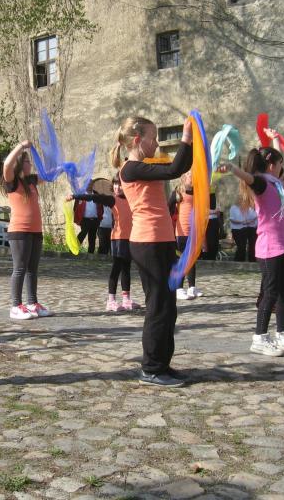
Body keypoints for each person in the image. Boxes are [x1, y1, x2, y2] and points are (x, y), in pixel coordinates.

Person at [112, 115, 192, 387]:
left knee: (168, 306)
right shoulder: (131, 169)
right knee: (158, 305)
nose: (157, 143)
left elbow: (182, 165)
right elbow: (175, 170)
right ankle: (151, 368)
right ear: (138, 140)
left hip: (162, 241)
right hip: (148, 243)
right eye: (154, 138)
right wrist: (186, 137)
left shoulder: (147, 165)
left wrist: (193, 145)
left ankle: (163, 364)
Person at [220, 130, 284, 356]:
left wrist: (275, 138)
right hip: (268, 249)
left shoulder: (276, 184)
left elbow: (275, 159)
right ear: (271, 166)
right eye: (280, 164)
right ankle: (259, 338)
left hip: (282, 246)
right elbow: (249, 178)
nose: (282, 169)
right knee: (269, 294)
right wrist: (232, 168)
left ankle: (283, 336)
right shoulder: (263, 184)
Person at [69, 174, 139, 311]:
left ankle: (126, 300)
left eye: (120, 184)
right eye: (115, 184)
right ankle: (111, 301)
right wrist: (75, 196)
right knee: (116, 268)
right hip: (118, 239)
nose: (117, 187)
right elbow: (93, 197)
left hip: (130, 238)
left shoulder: (132, 200)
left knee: (126, 269)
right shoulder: (112, 199)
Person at [3, 141, 53, 320]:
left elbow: (49, 175)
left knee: (32, 269)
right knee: (20, 268)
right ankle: (15, 306)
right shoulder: (12, 181)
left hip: (35, 231)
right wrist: (21, 147)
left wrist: (65, 167)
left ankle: (32, 303)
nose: (30, 164)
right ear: (19, 164)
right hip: (19, 232)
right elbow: (6, 164)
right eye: (26, 161)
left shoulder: (31, 181)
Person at [168, 172, 202, 300]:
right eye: (189, 176)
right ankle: (179, 288)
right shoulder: (178, 192)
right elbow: (168, 208)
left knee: (192, 259)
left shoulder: (197, 192)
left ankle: (192, 287)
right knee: (181, 260)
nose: (192, 178)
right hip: (181, 232)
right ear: (184, 178)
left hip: (193, 232)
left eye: (193, 176)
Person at [74, 182, 103, 253]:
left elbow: (101, 207)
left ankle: (91, 254)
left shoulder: (96, 194)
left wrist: (99, 218)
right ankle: (73, 250)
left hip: (95, 220)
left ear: (92, 185)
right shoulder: (81, 194)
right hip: (85, 220)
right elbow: (75, 207)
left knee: (92, 237)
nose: (89, 185)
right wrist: (77, 217)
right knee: (82, 234)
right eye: (88, 184)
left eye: (90, 184)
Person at [229, 196, 257, 262]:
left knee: (250, 246)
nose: (243, 202)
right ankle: (238, 261)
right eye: (242, 200)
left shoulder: (249, 207)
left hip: (248, 228)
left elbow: (255, 216)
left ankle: (251, 261)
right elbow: (232, 219)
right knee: (241, 247)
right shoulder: (233, 208)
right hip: (237, 229)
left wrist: (249, 221)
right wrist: (241, 222)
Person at [202, 193, 223, 261]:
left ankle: (212, 258)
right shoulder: (203, 197)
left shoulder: (214, 197)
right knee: (208, 243)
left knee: (214, 243)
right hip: (206, 222)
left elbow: (219, 211)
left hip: (214, 221)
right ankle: (207, 258)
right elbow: (202, 210)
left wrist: (217, 212)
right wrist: (214, 211)